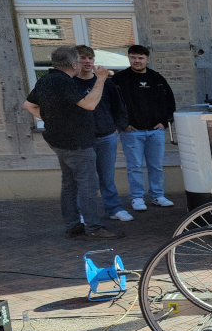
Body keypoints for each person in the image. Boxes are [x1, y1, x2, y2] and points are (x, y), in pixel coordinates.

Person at [23, 46, 123, 240]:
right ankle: (93, 227)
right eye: (79, 60)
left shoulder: (46, 79)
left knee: (69, 183)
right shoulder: (64, 82)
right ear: (74, 64)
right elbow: (90, 104)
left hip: (59, 141)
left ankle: (73, 225)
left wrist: (52, 121)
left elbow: (28, 105)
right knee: (88, 185)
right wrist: (101, 78)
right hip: (77, 143)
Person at [112, 45, 177, 211]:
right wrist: (123, 124)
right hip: (131, 132)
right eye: (133, 57)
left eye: (140, 58)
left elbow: (170, 102)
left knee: (156, 166)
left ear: (147, 59)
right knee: (135, 167)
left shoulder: (157, 79)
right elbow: (111, 103)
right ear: (129, 58)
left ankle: (157, 195)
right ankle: (137, 198)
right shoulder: (120, 80)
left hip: (155, 131)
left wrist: (165, 121)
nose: (137, 61)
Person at [74, 45, 132, 222]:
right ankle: (82, 213)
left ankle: (113, 208)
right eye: (83, 58)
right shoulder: (71, 84)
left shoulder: (107, 83)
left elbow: (120, 108)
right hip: (82, 139)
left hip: (107, 136)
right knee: (85, 180)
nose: (87, 61)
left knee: (107, 177)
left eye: (90, 58)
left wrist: (117, 128)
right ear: (75, 61)